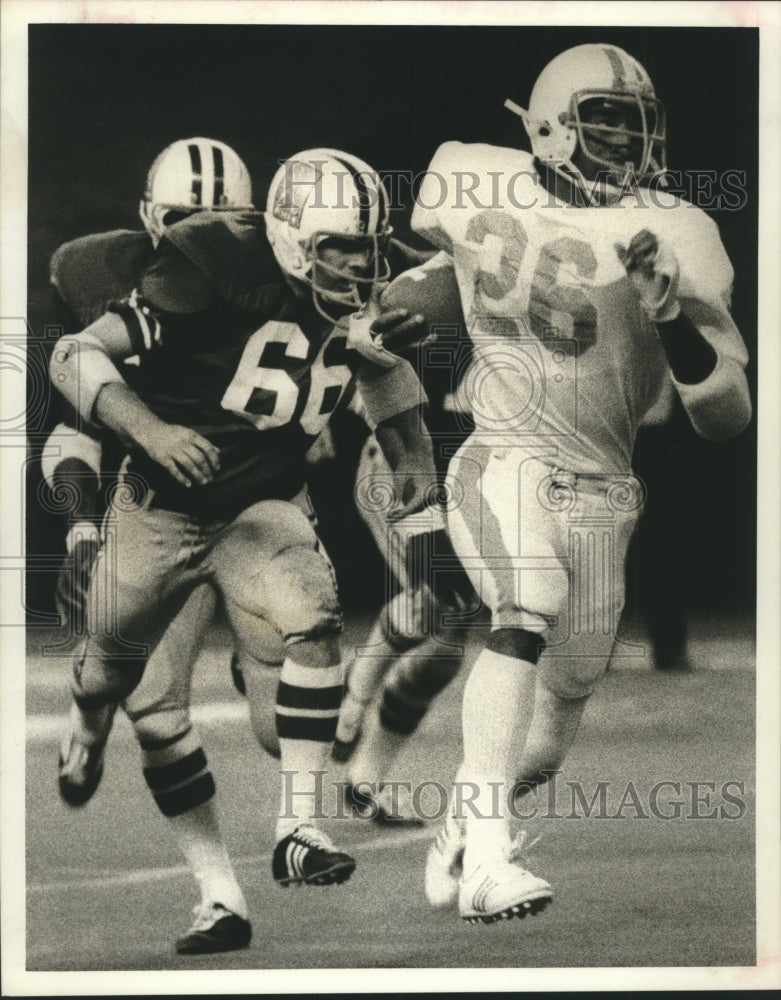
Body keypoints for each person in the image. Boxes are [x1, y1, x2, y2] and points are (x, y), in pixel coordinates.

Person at [409, 43, 752, 924]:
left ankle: (463, 819)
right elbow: (432, 276)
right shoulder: (469, 176)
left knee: (550, 734)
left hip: (603, 489)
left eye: (633, 124)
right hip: (501, 452)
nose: (620, 139)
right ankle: (486, 864)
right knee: (521, 607)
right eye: (601, 118)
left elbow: (726, 417)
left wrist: (668, 314)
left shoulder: (679, 233)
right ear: (552, 119)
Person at [49, 148, 436, 914]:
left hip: (260, 506)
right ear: (284, 236)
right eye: (339, 247)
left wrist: (416, 470)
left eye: (367, 246)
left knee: (313, 620)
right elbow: (72, 360)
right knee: (120, 681)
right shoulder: (194, 275)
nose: (359, 264)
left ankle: (296, 829)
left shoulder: (358, 296)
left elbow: (381, 375)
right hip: (158, 505)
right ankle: (91, 723)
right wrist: (138, 453)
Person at [46, 137, 260, 954]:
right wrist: (77, 526)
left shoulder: (273, 293)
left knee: (281, 707)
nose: (194, 248)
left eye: (215, 228)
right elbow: (75, 425)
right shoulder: (113, 294)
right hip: (158, 511)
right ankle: (220, 896)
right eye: (179, 226)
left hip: (250, 510)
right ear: (148, 223)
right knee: (151, 700)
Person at [331, 252, 480, 823]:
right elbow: (356, 366)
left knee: (443, 652)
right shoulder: (429, 299)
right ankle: (355, 692)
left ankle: (365, 778)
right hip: (403, 473)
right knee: (442, 600)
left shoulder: (525, 297)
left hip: (463, 481)